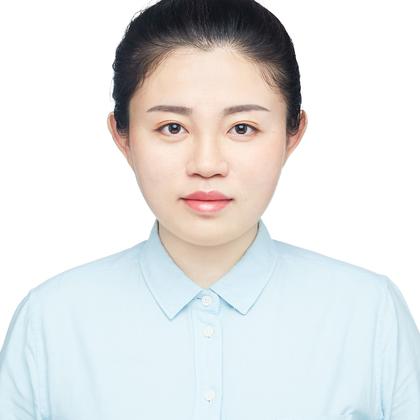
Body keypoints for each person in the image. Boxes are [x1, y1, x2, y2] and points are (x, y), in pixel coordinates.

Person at [1, 0, 419, 418]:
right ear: (122, 136)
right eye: (172, 127)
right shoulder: (50, 322)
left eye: (242, 128)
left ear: (292, 135)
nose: (206, 164)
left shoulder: (370, 315)